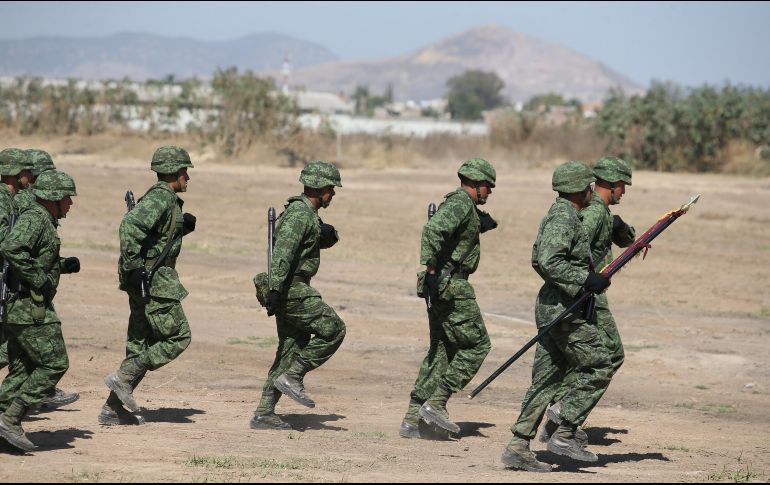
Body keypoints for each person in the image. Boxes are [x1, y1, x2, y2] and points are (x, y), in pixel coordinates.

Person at [501, 161, 613, 472]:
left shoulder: (563, 214)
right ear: (581, 190)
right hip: (565, 310)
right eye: (589, 186)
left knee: (547, 380)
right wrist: (583, 279)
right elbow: (548, 260)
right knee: (601, 364)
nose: (592, 190)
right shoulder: (564, 218)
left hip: (558, 306)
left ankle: (517, 447)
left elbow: (540, 259)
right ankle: (565, 433)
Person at [539, 156, 636, 443]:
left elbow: (628, 241)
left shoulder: (602, 213)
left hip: (591, 292)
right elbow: (571, 250)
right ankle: (562, 416)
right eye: (622, 186)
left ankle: (560, 416)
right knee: (607, 357)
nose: (624, 192)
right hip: (586, 295)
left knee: (599, 358)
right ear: (611, 184)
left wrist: (618, 226)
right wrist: (584, 279)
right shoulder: (593, 214)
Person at [399, 158, 497, 439]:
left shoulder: (465, 207)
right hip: (452, 287)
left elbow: (450, 235)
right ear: (476, 185)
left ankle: (412, 419)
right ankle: (437, 402)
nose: (489, 193)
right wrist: (431, 268)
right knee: (478, 345)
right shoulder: (459, 204)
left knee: (442, 352)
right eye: (487, 187)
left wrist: (478, 225)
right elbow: (433, 230)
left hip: (442, 285)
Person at [99, 146, 196, 426]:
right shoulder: (162, 198)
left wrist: (180, 228)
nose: (187, 177)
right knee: (178, 336)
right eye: (184, 172)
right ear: (173, 173)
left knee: (139, 344)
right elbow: (130, 227)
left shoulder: (165, 200)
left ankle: (111, 409)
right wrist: (135, 267)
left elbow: (154, 238)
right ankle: (123, 379)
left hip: (146, 279)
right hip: (154, 282)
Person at [250, 160, 346, 431]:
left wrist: (329, 234)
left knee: (290, 348)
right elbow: (282, 253)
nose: (333, 194)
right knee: (334, 329)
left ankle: (264, 412)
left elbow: (308, 243)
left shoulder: (307, 214)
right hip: (293, 289)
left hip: (290, 287)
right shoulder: (299, 214)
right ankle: (293, 376)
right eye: (331, 189)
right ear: (318, 188)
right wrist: (276, 290)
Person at [0, 170, 79, 452]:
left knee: (23, 369)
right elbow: (11, 247)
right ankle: (10, 419)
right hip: (29, 309)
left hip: (22, 307)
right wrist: (39, 278)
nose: (70, 203)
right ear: (54, 198)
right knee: (54, 364)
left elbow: (33, 255)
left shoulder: (43, 219)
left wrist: (59, 266)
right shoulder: (36, 218)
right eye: (67, 197)